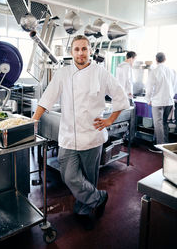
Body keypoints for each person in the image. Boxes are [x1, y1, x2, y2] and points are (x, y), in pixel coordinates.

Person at [32, 35, 129, 230]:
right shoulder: (63, 73)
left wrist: (110, 120)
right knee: (69, 176)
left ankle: (83, 209)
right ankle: (98, 197)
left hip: (92, 136)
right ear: (71, 52)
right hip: (68, 135)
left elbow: (121, 96)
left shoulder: (101, 73)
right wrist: (34, 120)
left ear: (90, 50)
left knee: (88, 177)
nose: (80, 53)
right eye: (77, 49)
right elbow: (47, 97)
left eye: (84, 49)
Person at [145, 52, 177, 149]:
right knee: (165, 123)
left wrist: (148, 99)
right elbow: (175, 87)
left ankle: (160, 146)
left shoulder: (154, 71)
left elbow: (149, 88)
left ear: (156, 59)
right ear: (165, 59)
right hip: (169, 101)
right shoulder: (172, 71)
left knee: (158, 124)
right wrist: (171, 96)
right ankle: (166, 145)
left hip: (158, 102)